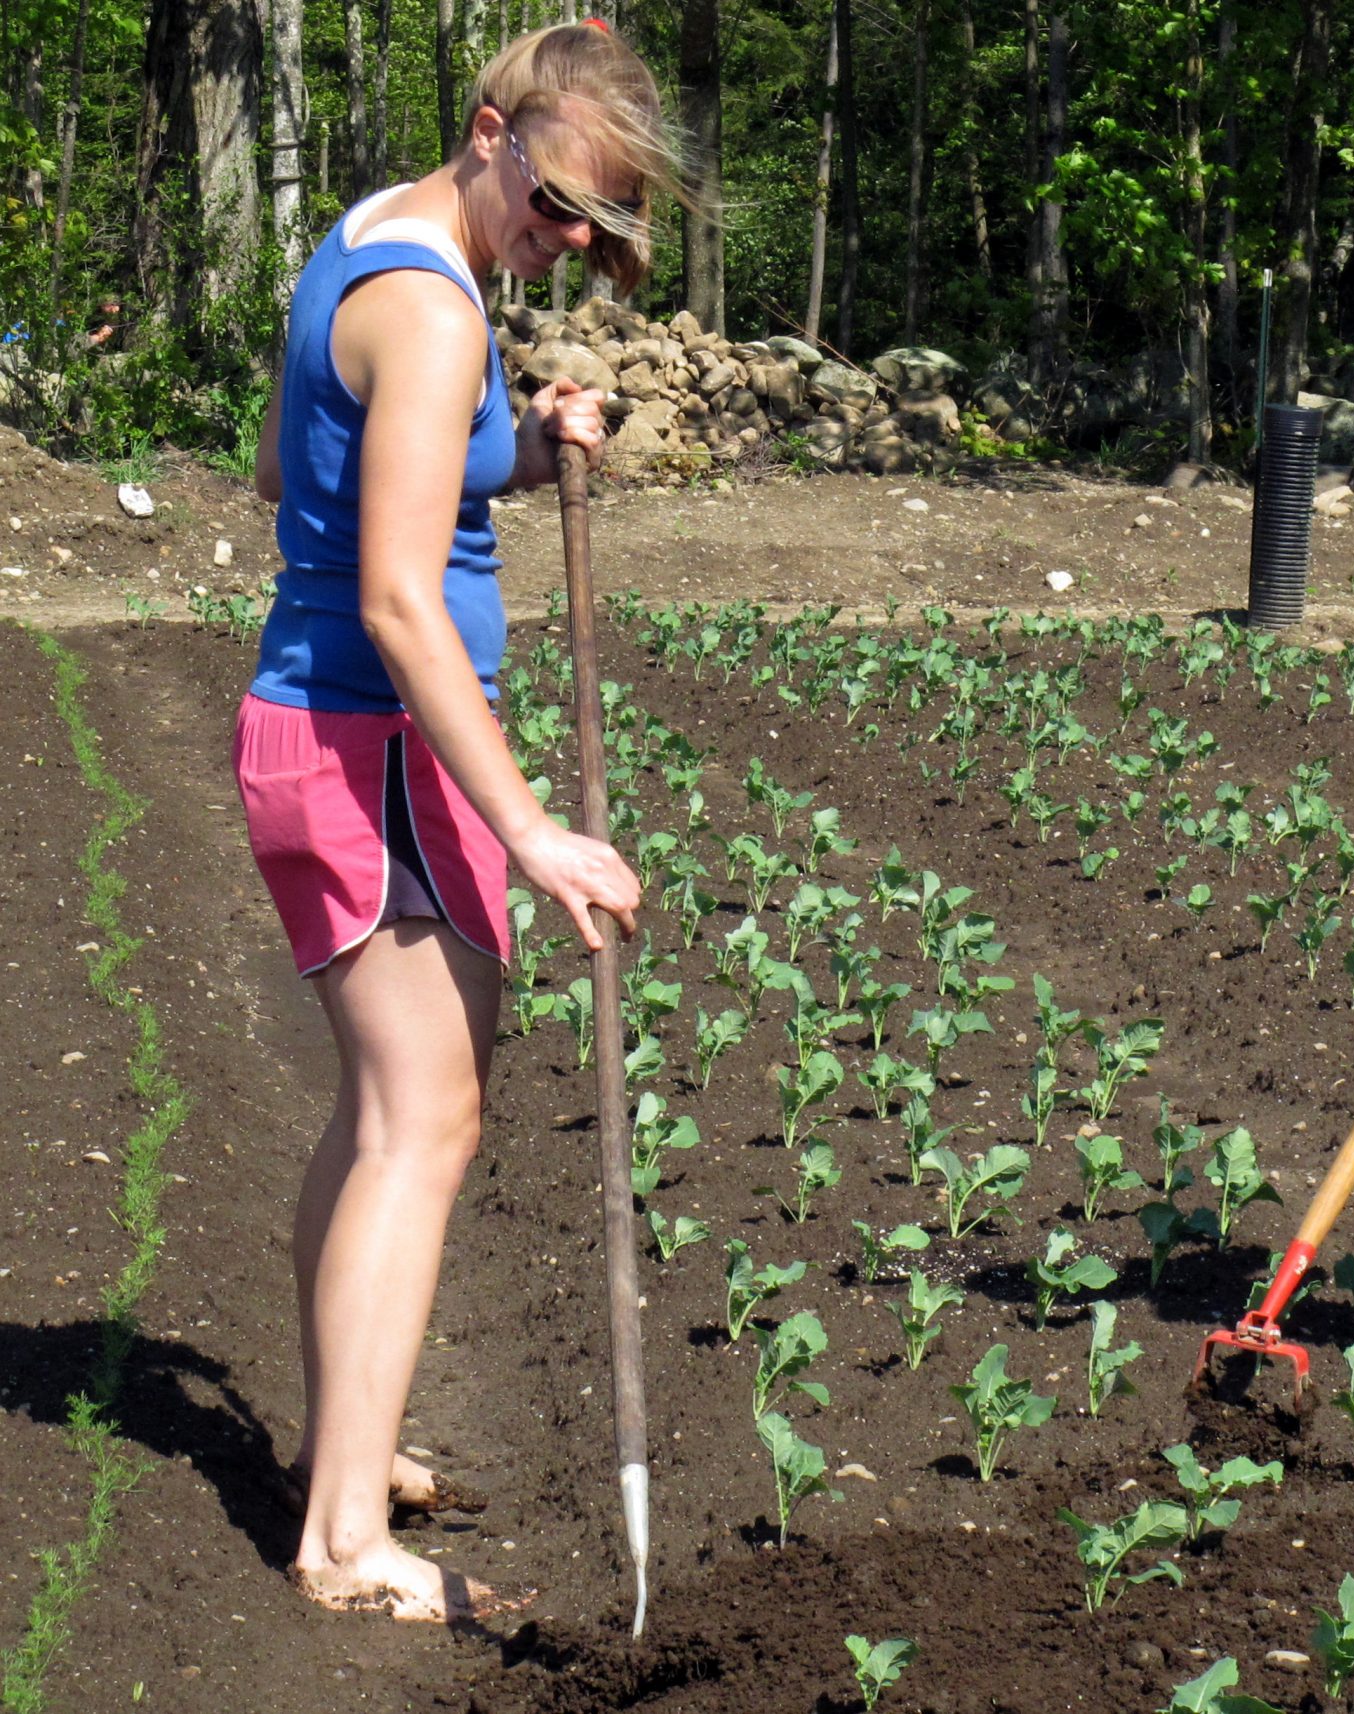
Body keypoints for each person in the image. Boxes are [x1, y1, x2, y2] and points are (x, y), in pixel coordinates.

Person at [239, 21, 683, 1620]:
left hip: (324, 731)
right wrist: (541, 830)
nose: (571, 243)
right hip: (374, 748)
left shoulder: (376, 241)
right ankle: (344, 1539)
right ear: (492, 130)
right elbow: (400, 602)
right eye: (561, 204)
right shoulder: (429, 313)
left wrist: (513, 437)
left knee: (382, 1109)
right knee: (427, 1121)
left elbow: (311, 461)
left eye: (599, 228)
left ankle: (346, 1447)